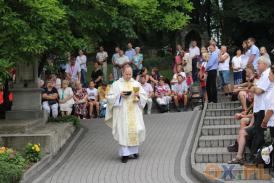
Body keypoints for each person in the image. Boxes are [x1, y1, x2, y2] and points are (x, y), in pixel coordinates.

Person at [105, 65, 147, 163]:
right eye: (126, 74)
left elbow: (144, 96)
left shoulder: (136, 83)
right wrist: (119, 96)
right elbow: (110, 97)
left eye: (130, 74)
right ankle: (125, 154)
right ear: (122, 73)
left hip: (134, 111)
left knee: (136, 130)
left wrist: (138, 96)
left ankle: (134, 151)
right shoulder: (116, 84)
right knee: (123, 131)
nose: (128, 76)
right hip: (122, 112)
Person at [245, 56, 271, 164]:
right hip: (258, 108)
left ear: (265, 64)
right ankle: (254, 157)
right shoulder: (263, 75)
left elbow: (259, 90)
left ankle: (252, 158)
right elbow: (254, 87)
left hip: (263, 109)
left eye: (259, 63)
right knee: (255, 133)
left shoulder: (268, 75)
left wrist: (252, 88)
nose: (257, 65)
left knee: (258, 134)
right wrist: (253, 87)